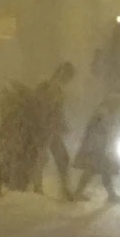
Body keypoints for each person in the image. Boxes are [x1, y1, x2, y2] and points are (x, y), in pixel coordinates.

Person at [31, 62, 76, 200]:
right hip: (48, 128)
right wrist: (54, 123)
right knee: (44, 157)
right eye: (69, 76)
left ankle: (62, 189)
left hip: (50, 128)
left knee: (56, 158)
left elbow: (55, 109)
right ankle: (41, 188)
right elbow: (51, 109)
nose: (69, 80)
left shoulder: (54, 86)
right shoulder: (53, 87)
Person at [71, 95, 120, 204]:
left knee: (101, 170)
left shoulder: (103, 112)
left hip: (98, 146)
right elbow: (101, 128)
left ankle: (110, 195)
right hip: (96, 146)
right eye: (117, 105)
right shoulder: (103, 112)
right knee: (94, 170)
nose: (118, 108)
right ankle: (78, 193)